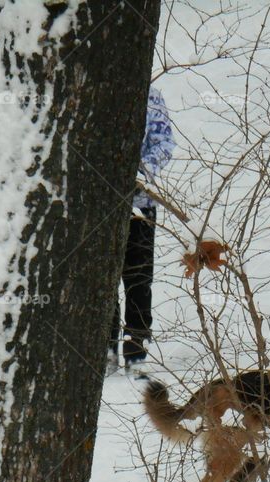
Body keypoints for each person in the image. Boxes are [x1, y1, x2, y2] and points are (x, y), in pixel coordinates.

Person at [109, 85, 175, 371]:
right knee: (103, 278)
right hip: (99, 204)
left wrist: (138, 173)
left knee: (138, 276)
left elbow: (164, 143)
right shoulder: (94, 88)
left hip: (140, 203)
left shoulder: (150, 95)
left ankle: (136, 348)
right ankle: (105, 348)